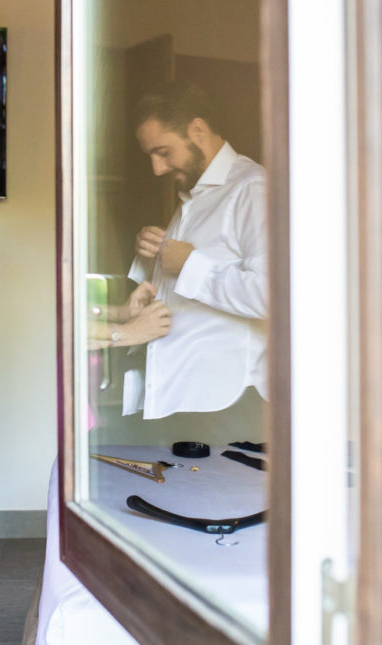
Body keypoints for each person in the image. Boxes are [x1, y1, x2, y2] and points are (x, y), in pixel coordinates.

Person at [124, 81, 268, 419]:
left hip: (222, 406)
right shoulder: (194, 197)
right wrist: (149, 258)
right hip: (179, 400)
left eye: (163, 152)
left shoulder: (253, 190)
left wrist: (189, 265)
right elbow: (179, 291)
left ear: (197, 130)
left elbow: (273, 296)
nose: (157, 169)